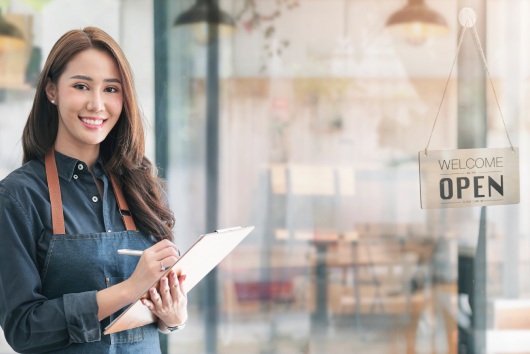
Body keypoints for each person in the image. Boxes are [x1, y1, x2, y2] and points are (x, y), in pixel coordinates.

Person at [0, 27, 187, 353]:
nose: (97, 104)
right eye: (81, 86)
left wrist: (173, 316)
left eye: (111, 88)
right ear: (51, 90)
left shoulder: (147, 190)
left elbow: (162, 311)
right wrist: (128, 289)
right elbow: (23, 328)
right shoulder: (18, 198)